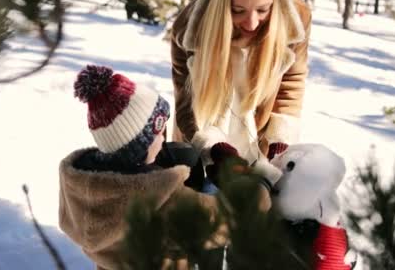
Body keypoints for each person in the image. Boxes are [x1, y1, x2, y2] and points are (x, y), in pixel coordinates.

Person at [59, 65, 271, 270]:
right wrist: (259, 186)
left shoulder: (82, 189)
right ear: (138, 146)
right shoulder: (159, 199)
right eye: (159, 130)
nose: (163, 137)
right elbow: (222, 221)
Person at [170, 0, 312, 179]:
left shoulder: (295, 21)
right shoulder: (188, 32)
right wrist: (215, 150)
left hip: (259, 148)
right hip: (200, 150)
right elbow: (187, 106)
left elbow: (291, 85)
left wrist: (279, 145)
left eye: (263, 10)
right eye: (238, 11)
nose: (252, 22)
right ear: (223, 5)